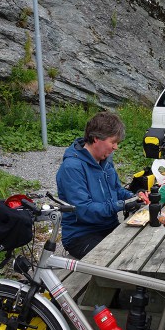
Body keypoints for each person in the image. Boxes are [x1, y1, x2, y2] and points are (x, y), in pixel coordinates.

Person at [56, 111, 140, 259]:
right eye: (113, 142)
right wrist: (121, 205)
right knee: (118, 259)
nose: (115, 147)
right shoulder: (72, 168)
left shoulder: (105, 161)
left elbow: (117, 190)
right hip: (81, 235)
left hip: (108, 226)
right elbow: (84, 210)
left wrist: (134, 197)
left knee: (138, 248)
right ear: (96, 139)